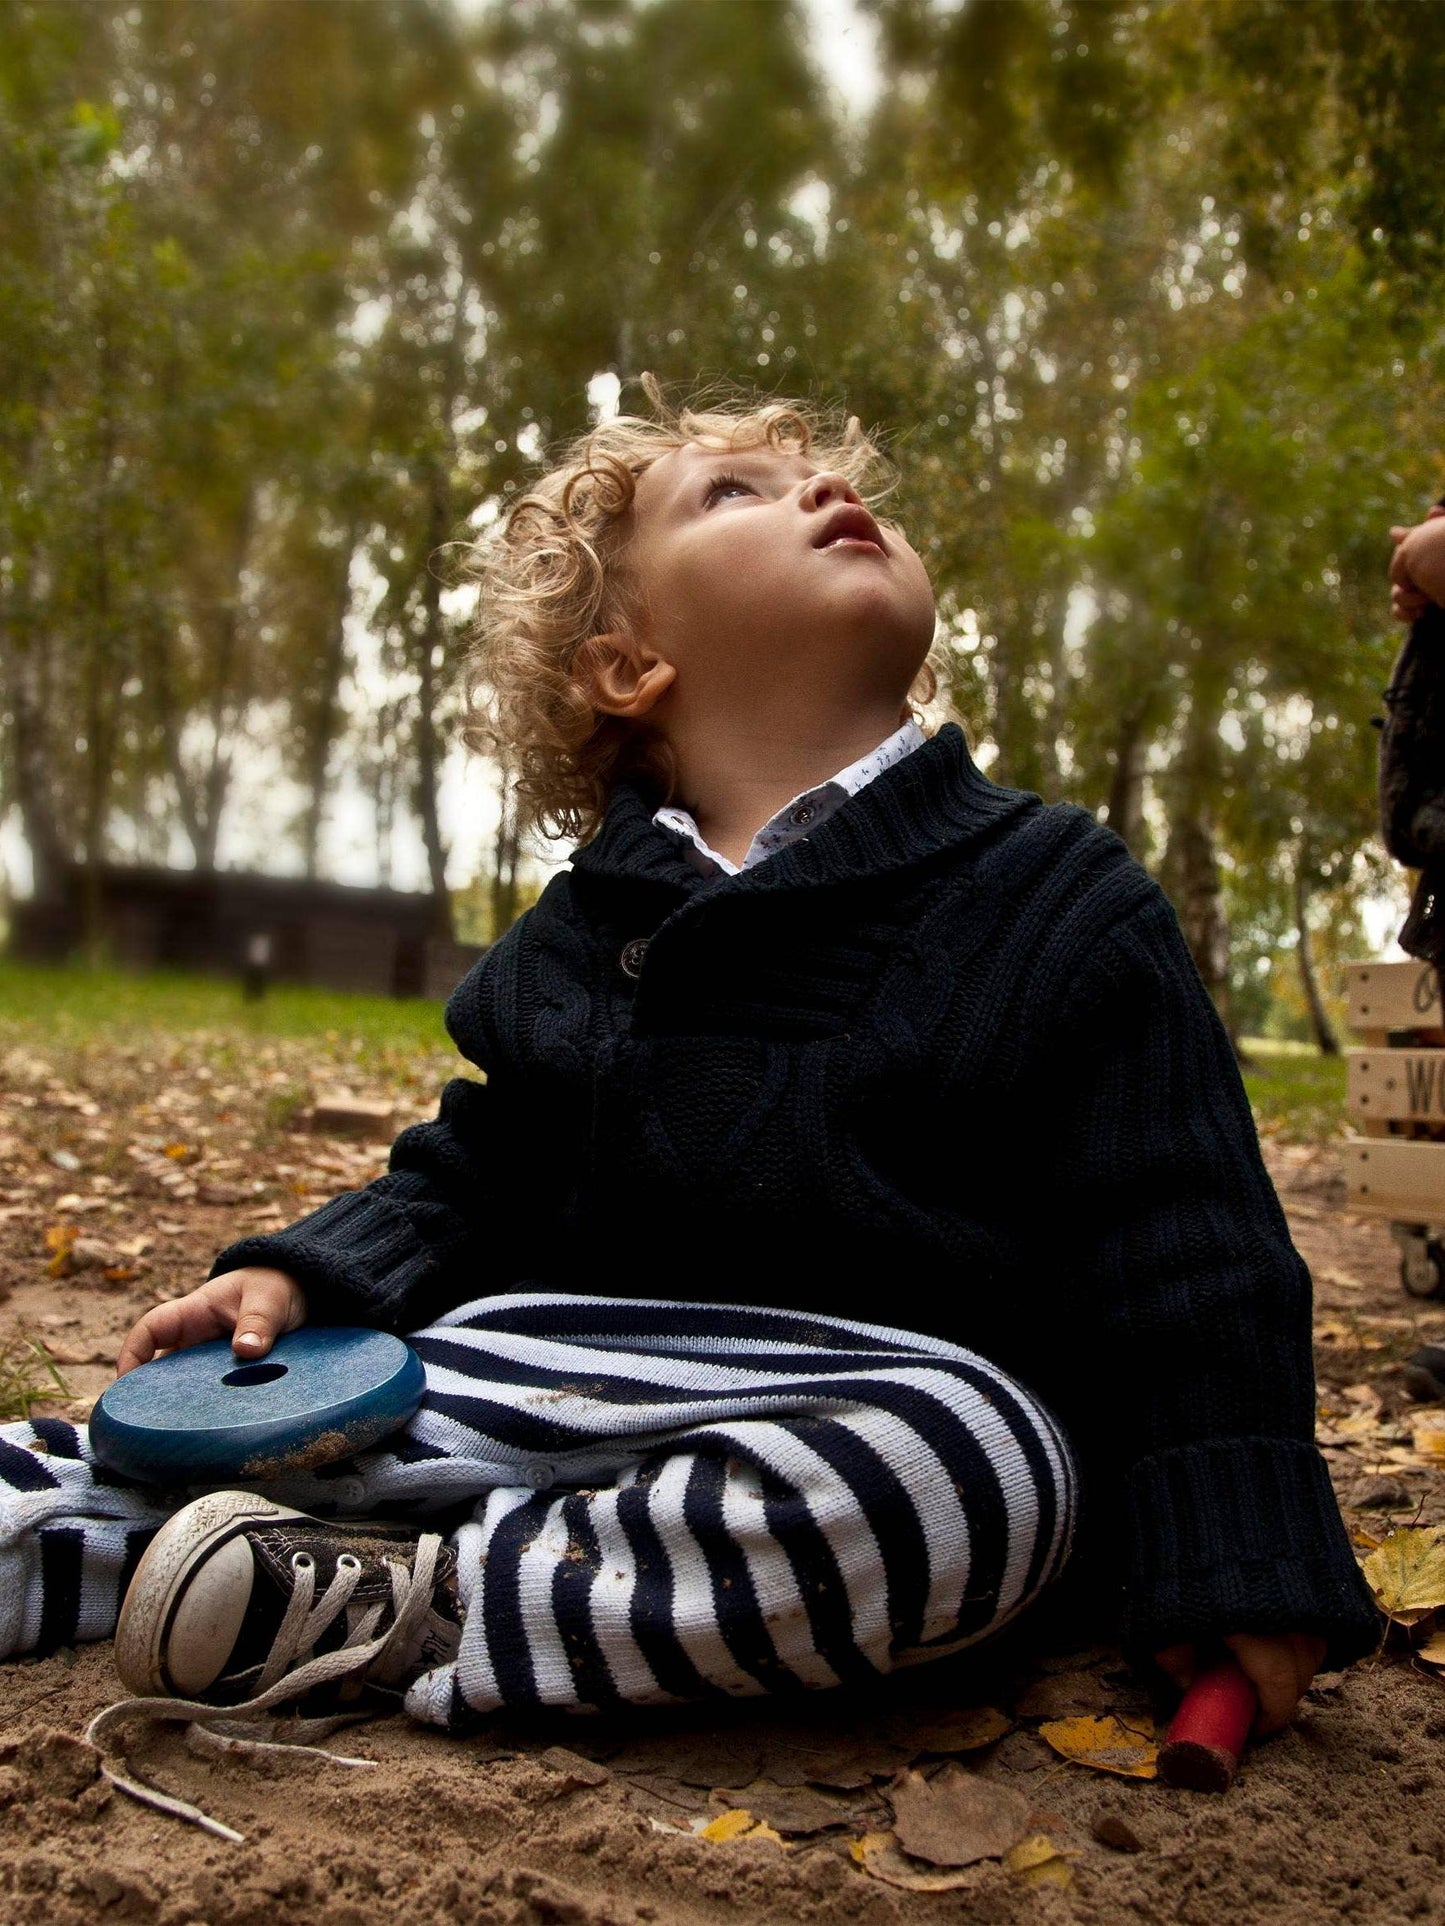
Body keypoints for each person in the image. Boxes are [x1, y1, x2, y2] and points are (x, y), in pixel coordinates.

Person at [0, 380, 1383, 1828]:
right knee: (349, 1403)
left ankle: (414, 1602)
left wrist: (1236, 1550)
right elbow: (478, 1166)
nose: (823, 490)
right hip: (551, 1376)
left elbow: (1190, 1246)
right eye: (735, 492)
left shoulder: (1061, 901)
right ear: (627, 665)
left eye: (824, 477)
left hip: (863, 1418)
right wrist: (307, 1272)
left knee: (976, 1476)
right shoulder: (587, 925)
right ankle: (97, 1534)